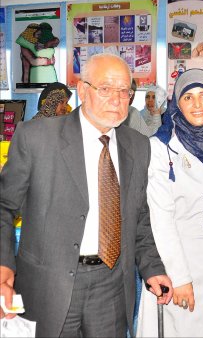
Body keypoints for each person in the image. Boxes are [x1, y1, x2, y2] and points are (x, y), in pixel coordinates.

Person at [0, 53, 173, 337]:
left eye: (124, 91)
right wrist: (3, 265)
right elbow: (4, 206)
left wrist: (152, 267)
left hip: (112, 286)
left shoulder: (138, 146)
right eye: (105, 88)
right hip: (49, 285)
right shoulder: (37, 137)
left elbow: (139, 216)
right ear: (82, 90)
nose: (116, 99)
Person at [136, 69, 203, 337]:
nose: (197, 104)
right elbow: (160, 219)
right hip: (178, 266)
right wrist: (179, 277)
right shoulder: (160, 148)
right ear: (177, 104)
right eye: (188, 97)